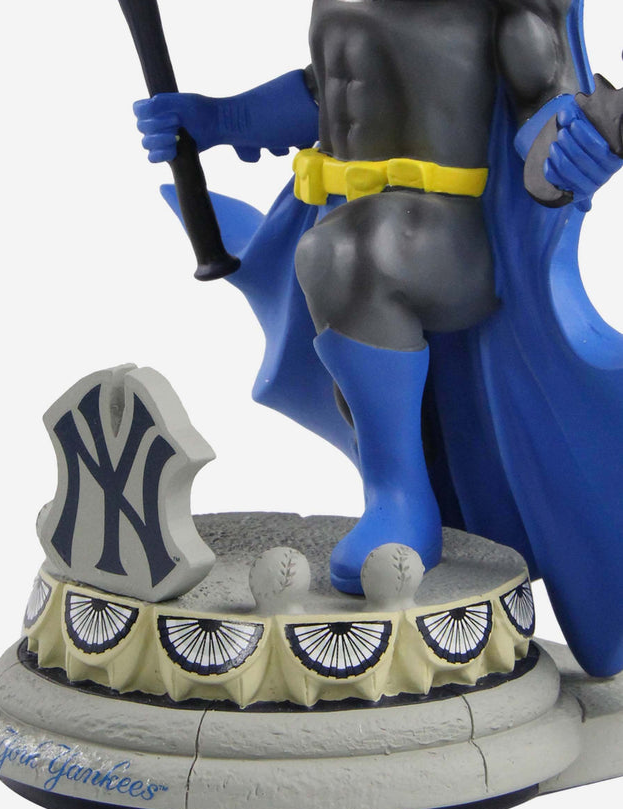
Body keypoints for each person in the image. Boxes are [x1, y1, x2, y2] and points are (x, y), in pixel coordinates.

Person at [133, 0, 623, 676]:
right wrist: (218, 119)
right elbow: (330, 85)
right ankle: (394, 478)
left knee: (345, 257)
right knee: (341, 255)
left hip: (453, 237)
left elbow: (543, 100)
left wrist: (566, 154)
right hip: (347, 218)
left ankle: (400, 497)